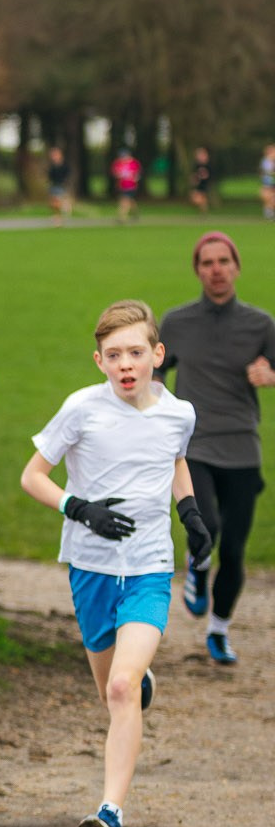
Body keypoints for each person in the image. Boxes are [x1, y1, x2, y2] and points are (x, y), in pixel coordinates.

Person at [20, 300, 211, 827]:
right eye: (113, 355)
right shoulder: (82, 409)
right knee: (112, 689)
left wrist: (191, 512)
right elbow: (32, 477)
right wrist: (80, 509)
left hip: (150, 567)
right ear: (98, 361)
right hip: (90, 569)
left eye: (135, 353)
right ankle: (136, 676)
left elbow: (175, 460)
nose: (125, 364)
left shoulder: (180, 413)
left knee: (123, 690)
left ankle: (109, 815)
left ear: (157, 355)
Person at [160, 231, 275, 663]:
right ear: (197, 270)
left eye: (223, 261)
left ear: (236, 266)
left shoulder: (261, 325)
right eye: (207, 262)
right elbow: (154, 373)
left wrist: (271, 376)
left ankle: (219, 630)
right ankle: (196, 562)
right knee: (205, 523)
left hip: (243, 448)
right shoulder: (176, 322)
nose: (216, 269)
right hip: (195, 446)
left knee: (235, 550)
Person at [112, 148, 141, 223]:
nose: (123, 158)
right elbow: (115, 173)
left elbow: (137, 174)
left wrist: (134, 178)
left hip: (131, 186)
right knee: (130, 201)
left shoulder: (134, 163)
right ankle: (135, 213)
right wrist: (119, 175)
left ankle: (122, 218)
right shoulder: (118, 163)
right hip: (122, 185)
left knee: (124, 201)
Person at [46, 145, 73, 225]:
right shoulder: (52, 166)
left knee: (57, 202)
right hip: (54, 185)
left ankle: (63, 209)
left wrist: (65, 182)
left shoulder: (64, 165)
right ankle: (58, 217)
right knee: (53, 204)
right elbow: (50, 176)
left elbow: (68, 174)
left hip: (61, 186)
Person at [188, 147, 214, 214]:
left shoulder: (208, 166)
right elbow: (194, 175)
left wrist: (201, 177)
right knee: (195, 198)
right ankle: (203, 210)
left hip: (204, 184)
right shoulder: (197, 165)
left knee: (201, 198)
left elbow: (208, 176)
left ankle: (203, 212)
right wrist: (194, 179)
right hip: (198, 184)